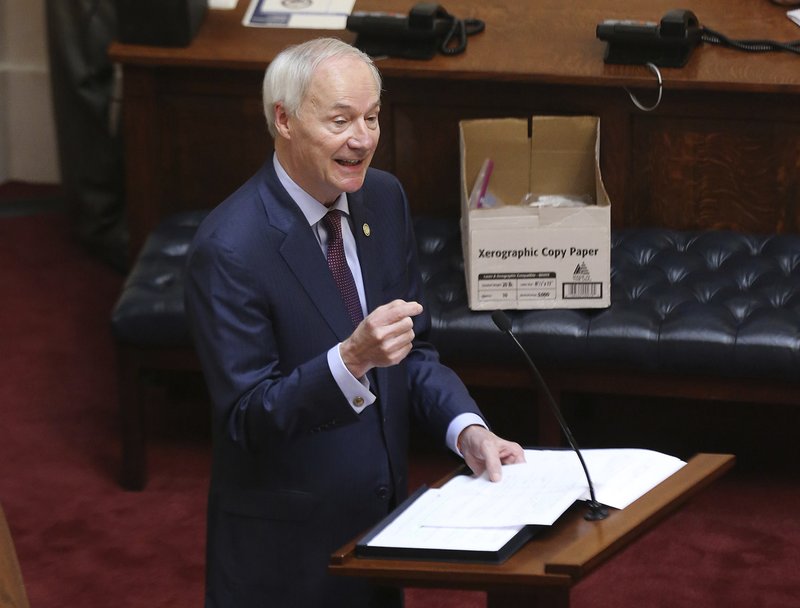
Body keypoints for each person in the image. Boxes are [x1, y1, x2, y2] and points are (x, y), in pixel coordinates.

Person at [184, 37, 524, 608]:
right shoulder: (230, 249)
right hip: (286, 557)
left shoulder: (383, 200)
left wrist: (467, 429)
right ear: (284, 120)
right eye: (341, 120)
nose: (362, 139)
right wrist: (350, 360)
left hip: (378, 533)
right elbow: (246, 418)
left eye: (371, 118)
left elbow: (412, 351)